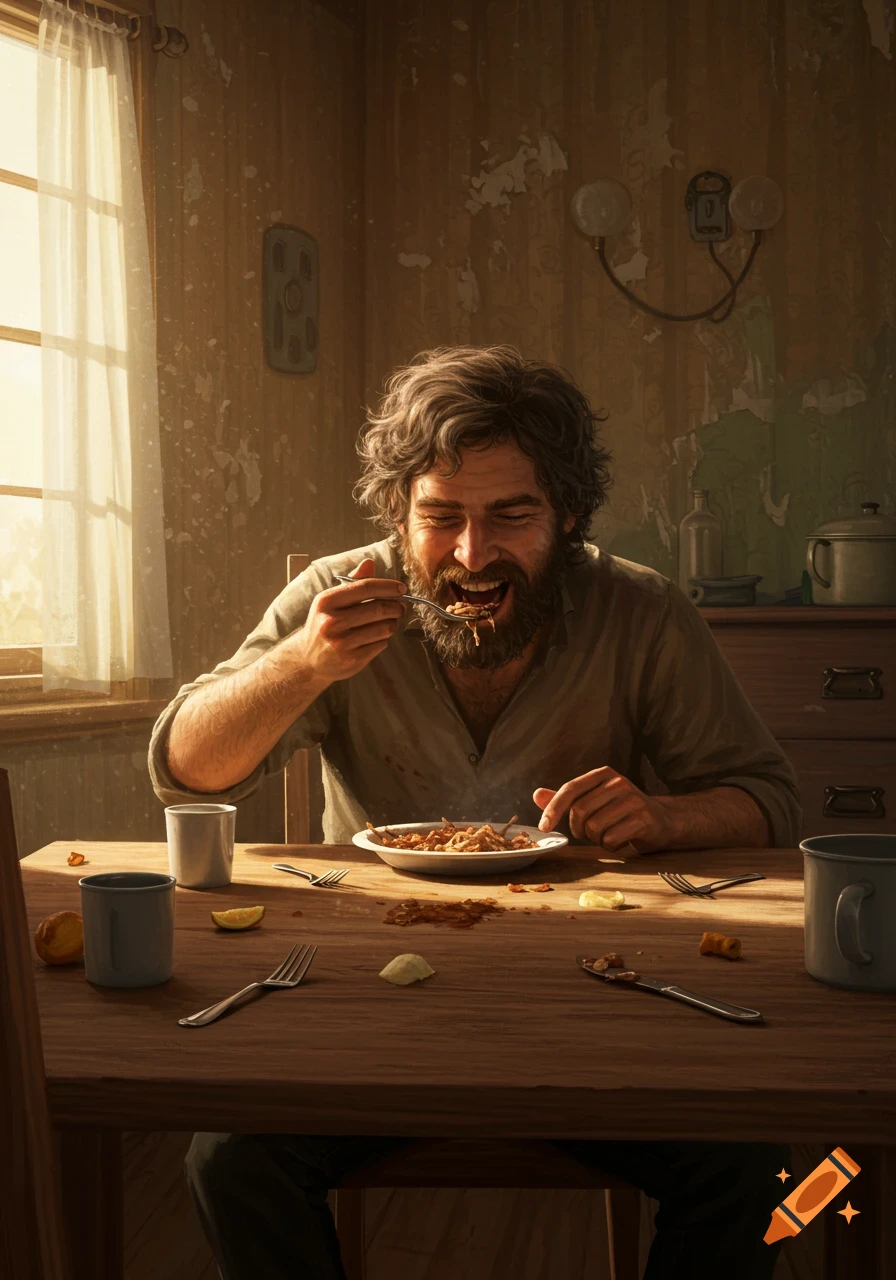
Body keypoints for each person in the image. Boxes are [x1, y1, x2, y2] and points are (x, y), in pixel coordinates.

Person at [150, 345, 798, 1280]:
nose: (470, 554)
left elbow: (769, 801)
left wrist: (663, 817)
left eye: (512, 516)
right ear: (397, 514)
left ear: (568, 517)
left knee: (748, 1165)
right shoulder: (340, 596)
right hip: (364, 999)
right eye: (440, 517)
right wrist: (302, 667)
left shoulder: (641, 610)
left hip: (592, 998)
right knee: (230, 1159)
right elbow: (183, 774)